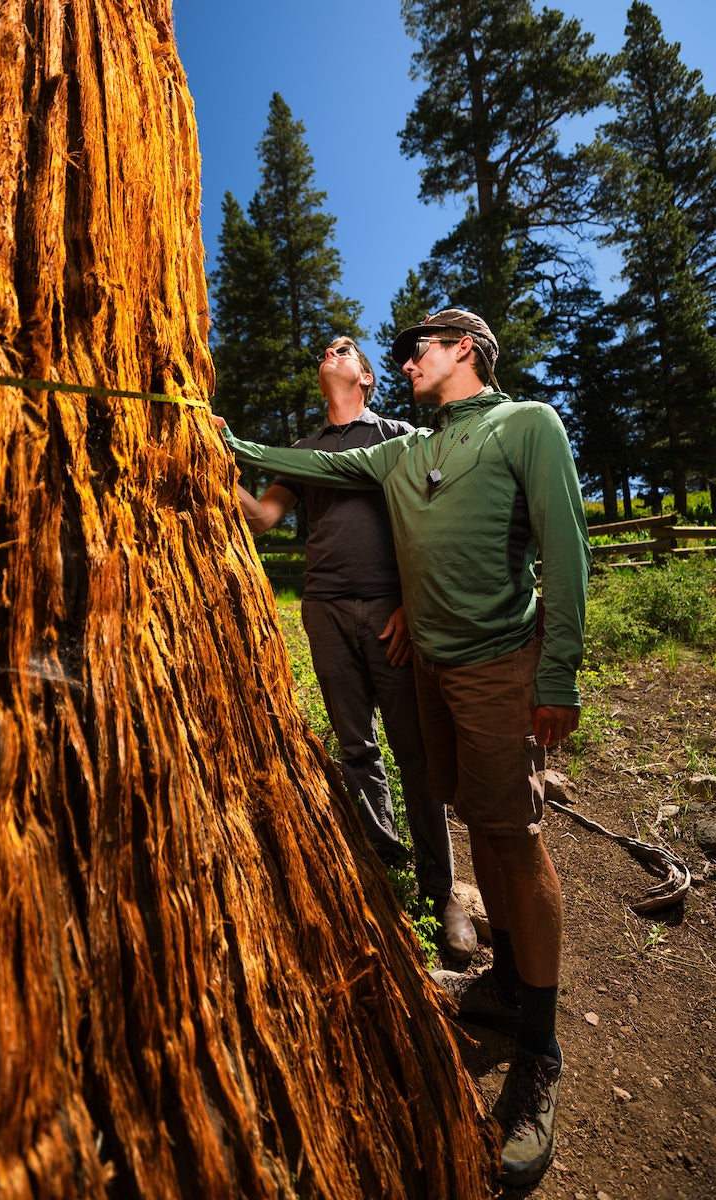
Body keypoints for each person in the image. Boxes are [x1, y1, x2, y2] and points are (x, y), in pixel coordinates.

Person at [215, 309, 591, 1188]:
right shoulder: (403, 450)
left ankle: (539, 1049)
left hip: (500, 666)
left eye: (419, 346)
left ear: (463, 349)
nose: (405, 357)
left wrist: (558, 673)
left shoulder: (524, 424)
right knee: (479, 817)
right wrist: (224, 438)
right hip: (428, 666)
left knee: (510, 834)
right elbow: (306, 467)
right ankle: (504, 974)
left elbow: (565, 550)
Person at [233, 336, 476, 962]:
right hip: (325, 610)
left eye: (345, 349)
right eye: (326, 349)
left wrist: (410, 604)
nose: (330, 352)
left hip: (391, 612)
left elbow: (434, 521)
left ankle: (441, 888)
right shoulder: (303, 452)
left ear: (366, 377)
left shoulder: (397, 434)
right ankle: (386, 865)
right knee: (354, 746)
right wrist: (213, 459)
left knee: (414, 748)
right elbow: (263, 516)